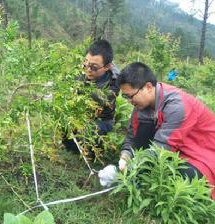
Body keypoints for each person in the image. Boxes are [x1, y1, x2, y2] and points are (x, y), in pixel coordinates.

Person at [100, 62, 215, 199]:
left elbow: (161, 149)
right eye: (126, 97)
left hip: (203, 153)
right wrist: (124, 157)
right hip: (177, 148)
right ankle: (138, 176)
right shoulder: (142, 105)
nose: (129, 101)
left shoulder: (177, 105)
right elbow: (132, 137)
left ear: (148, 87)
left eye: (131, 96)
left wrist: (127, 170)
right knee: (143, 134)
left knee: (183, 179)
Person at [63, 39, 120, 156]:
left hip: (100, 120)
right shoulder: (82, 69)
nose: (88, 70)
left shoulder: (114, 81)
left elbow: (101, 98)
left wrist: (77, 89)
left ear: (107, 66)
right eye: (85, 64)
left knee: (91, 138)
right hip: (79, 115)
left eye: (94, 67)